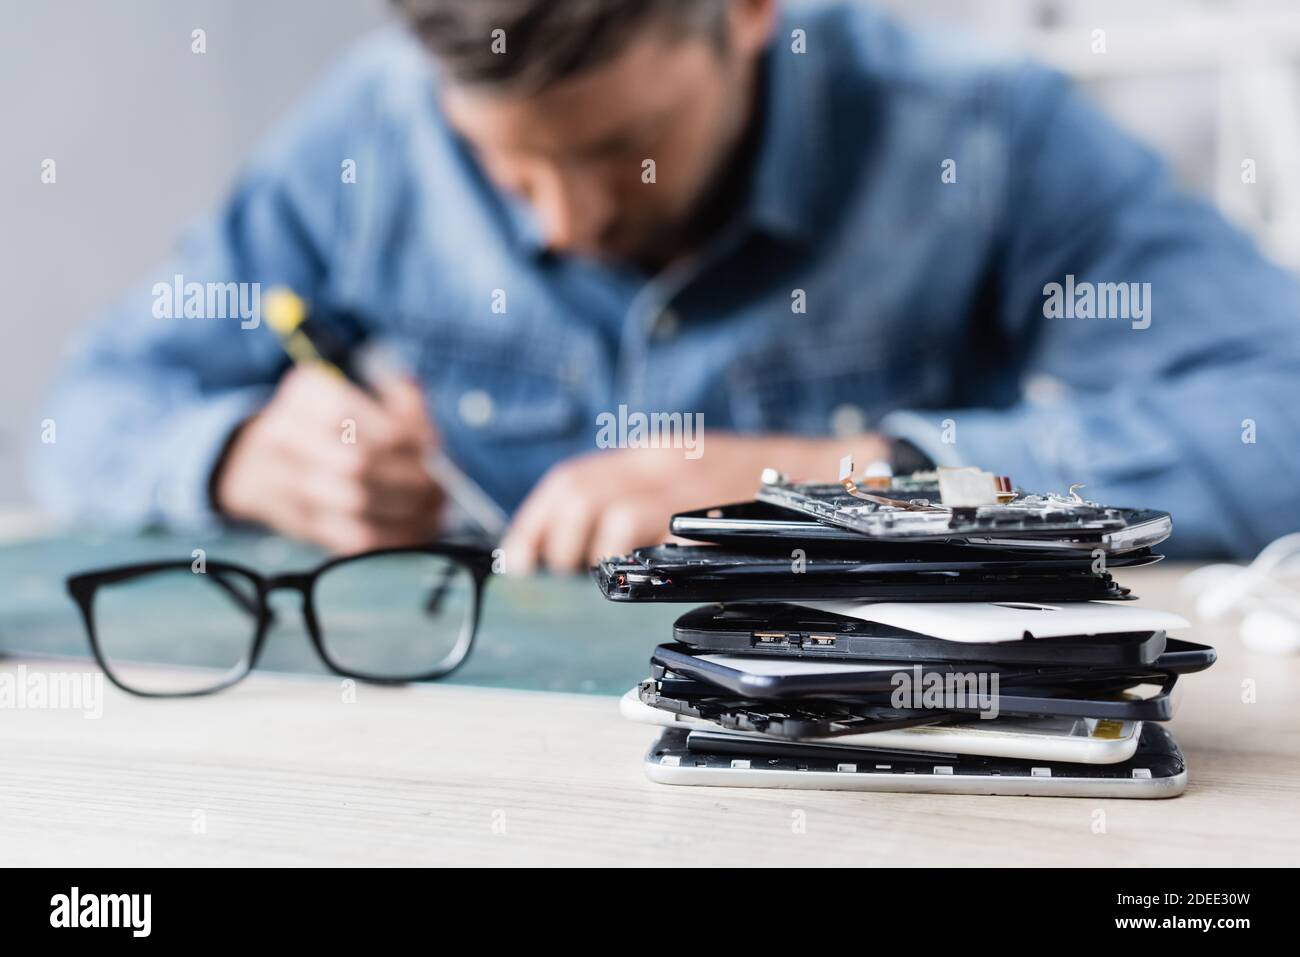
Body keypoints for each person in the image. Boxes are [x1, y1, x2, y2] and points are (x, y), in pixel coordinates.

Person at [34, 0, 1300, 568]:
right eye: (504, 170)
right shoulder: (369, 134)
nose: (571, 221)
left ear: (748, 10)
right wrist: (236, 453)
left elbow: (1275, 420)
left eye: (608, 153)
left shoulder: (981, 134)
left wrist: (858, 474)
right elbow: (84, 414)